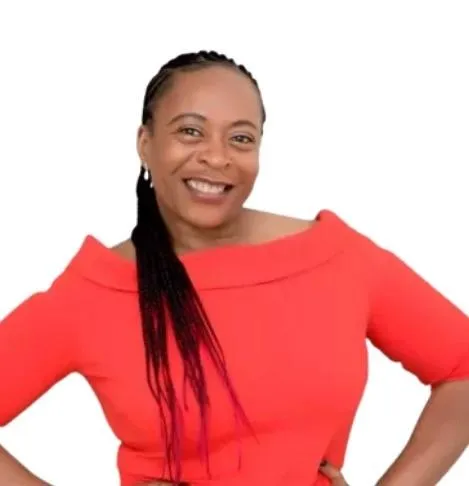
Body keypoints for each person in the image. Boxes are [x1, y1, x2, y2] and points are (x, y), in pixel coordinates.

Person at [0, 50, 468, 486]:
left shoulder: (336, 258)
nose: (217, 156)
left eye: (241, 138)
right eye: (190, 131)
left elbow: (461, 365)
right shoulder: (96, 292)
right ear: (145, 143)